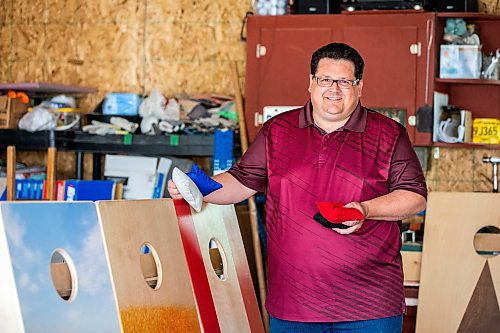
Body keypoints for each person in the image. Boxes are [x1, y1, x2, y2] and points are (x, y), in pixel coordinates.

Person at [168, 42, 427, 333]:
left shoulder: (388, 134)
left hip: (369, 304)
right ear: (311, 83)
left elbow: (414, 196)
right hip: (294, 303)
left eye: (344, 81)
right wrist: (199, 188)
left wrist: (365, 209)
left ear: (360, 86)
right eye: (325, 79)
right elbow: (241, 182)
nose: (334, 89)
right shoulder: (278, 131)